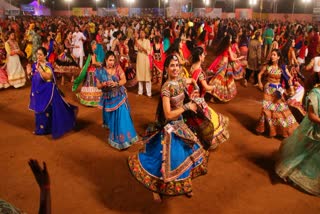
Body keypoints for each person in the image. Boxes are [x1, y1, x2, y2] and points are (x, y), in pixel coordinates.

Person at [128, 55, 209, 202]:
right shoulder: (166, 88)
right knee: (165, 158)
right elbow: (168, 114)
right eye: (172, 65)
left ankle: (185, 184)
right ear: (166, 69)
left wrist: (196, 88)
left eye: (177, 65)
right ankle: (155, 187)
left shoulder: (180, 80)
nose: (176, 68)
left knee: (187, 155)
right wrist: (187, 106)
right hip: (170, 127)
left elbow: (190, 80)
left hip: (181, 124)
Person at [275, 72, 320, 196]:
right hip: (314, 129)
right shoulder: (315, 94)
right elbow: (311, 115)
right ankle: (289, 172)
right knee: (303, 151)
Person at [27, 47, 78, 139]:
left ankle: (47, 128)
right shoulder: (35, 65)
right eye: (37, 54)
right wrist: (28, 73)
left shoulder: (48, 66)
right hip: (38, 92)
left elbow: (48, 77)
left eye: (40, 54)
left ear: (45, 55)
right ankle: (40, 129)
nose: (38, 56)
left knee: (46, 110)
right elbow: (32, 78)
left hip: (47, 92)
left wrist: (40, 71)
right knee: (38, 111)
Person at [188, 46, 230, 149]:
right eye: (203, 55)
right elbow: (206, 87)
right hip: (198, 100)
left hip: (192, 98)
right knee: (208, 122)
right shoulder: (199, 72)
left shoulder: (192, 67)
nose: (204, 56)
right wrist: (215, 86)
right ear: (199, 56)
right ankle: (206, 141)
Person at [95, 51, 138, 150]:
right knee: (113, 119)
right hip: (109, 98)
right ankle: (117, 139)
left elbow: (124, 80)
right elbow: (97, 85)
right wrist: (104, 84)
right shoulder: (100, 71)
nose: (111, 62)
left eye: (113, 60)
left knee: (122, 118)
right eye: (110, 60)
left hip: (120, 96)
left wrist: (116, 83)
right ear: (105, 60)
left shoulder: (118, 68)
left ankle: (124, 141)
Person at [256, 49, 299, 138]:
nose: (272, 56)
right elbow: (259, 74)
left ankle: (281, 129)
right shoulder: (267, 66)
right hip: (268, 90)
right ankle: (263, 129)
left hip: (278, 91)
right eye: (272, 55)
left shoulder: (282, 67)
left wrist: (290, 84)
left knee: (280, 109)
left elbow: (289, 77)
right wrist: (260, 82)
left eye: (274, 55)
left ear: (278, 57)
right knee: (266, 109)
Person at [72, 40, 104, 107]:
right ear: (92, 45)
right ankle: (91, 101)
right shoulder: (92, 53)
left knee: (89, 85)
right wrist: (100, 64)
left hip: (90, 72)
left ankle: (88, 100)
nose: (96, 46)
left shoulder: (90, 53)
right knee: (92, 85)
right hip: (92, 72)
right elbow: (93, 63)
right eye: (95, 44)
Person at [135, 30, 152, 97]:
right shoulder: (138, 41)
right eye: (141, 33)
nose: (142, 34)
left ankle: (149, 93)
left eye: (143, 33)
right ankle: (140, 92)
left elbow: (148, 51)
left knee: (147, 76)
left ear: (145, 34)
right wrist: (136, 40)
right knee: (140, 75)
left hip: (145, 59)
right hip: (139, 59)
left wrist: (142, 48)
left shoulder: (147, 41)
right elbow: (136, 48)